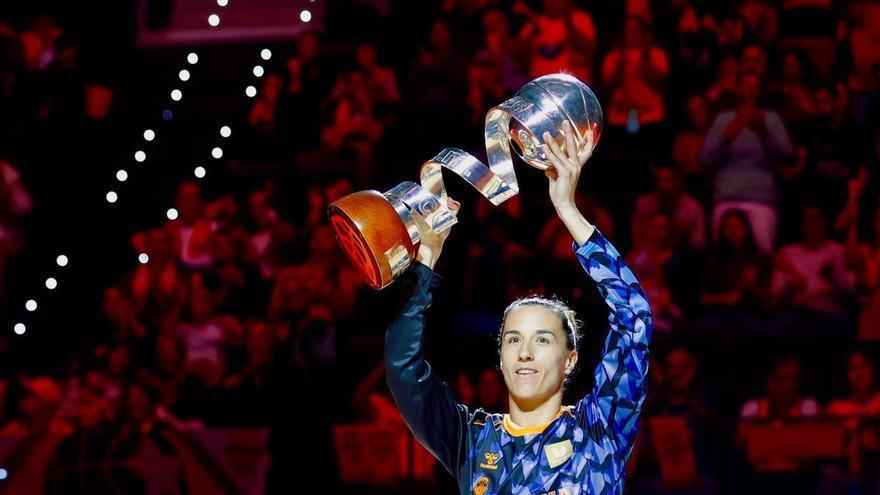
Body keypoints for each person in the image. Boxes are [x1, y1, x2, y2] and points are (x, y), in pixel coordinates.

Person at [385, 123, 653, 494]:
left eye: (542, 340)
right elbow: (403, 370)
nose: (525, 353)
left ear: (570, 359)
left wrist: (567, 209)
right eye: (513, 340)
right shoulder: (471, 440)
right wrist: (428, 257)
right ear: (501, 356)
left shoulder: (600, 426)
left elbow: (634, 317)